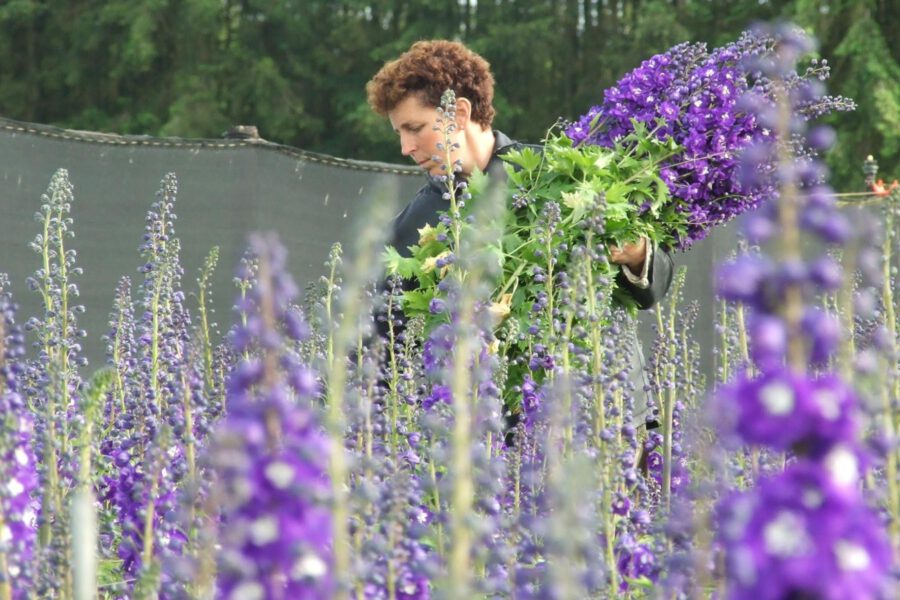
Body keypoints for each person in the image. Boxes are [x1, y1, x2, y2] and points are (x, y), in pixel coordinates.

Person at [366, 40, 673, 426]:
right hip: (505, 445)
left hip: (609, 414)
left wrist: (636, 253)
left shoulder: (560, 173)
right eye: (399, 132)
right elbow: (382, 342)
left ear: (459, 113)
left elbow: (656, 282)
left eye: (414, 128)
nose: (405, 147)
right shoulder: (415, 223)